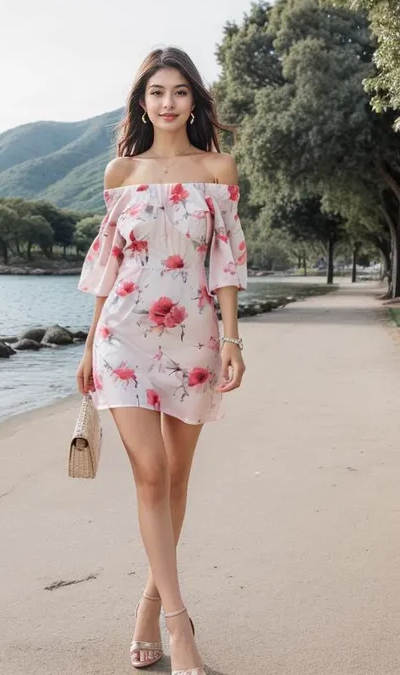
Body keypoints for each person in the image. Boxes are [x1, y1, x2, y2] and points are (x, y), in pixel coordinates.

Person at [76, 46, 247, 675]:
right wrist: (91, 344)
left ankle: (149, 605)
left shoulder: (218, 168)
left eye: (179, 92)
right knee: (149, 475)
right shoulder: (121, 174)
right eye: (156, 93)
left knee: (176, 479)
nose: (167, 103)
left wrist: (232, 339)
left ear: (194, 101)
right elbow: (107, 266)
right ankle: (181, 631)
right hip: (124, 336)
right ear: (142, 103)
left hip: (196, 338)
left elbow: (226, 262)